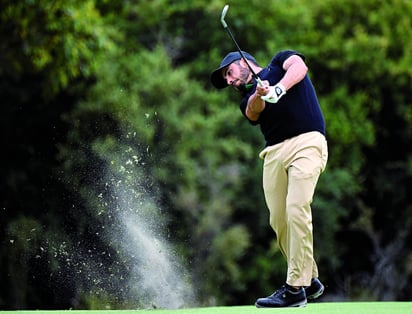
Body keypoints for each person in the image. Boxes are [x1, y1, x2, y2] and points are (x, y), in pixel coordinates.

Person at [210, 50, 328, 308]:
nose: (230, 81)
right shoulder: (247, 98)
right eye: (226, 80)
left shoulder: (279, 62)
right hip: (274, 153)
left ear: (242, 62)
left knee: (297, 207)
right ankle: (311, 279)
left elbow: (300, 67)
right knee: (279, 219)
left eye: (229, 73)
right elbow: (253, 112)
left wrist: (279, 88)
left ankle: (295, 288)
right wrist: (260, 94)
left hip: (308, 141)